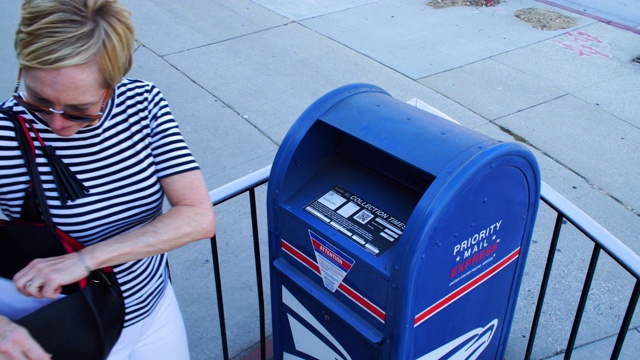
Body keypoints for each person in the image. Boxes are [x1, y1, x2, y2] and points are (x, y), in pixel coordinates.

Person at [0, 0, 216, 359]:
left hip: (155, 311)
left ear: (112, 85)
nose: (56, 123)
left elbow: (197, 215)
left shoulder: (142, 103)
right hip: (65, 330)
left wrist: (87, 259)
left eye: (79, 110)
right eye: (37, 100)